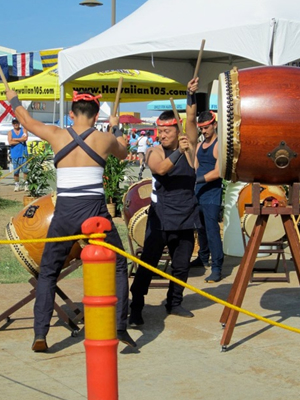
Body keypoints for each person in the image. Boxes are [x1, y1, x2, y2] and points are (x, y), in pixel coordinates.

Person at [5, 89, 136, 351]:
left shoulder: (56, 134)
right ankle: (120, 325)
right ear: (97, 115)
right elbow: (123, 153)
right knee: (119, 265)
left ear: (71, 113)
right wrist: (116, 127)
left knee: (49, 272)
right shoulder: (105, 138)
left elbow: (27, 122)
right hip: (94, 210)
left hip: (64, 210)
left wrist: (13, 99)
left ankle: (40, 334)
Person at [129, 78, 200, 326]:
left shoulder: (189, 145)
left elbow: (191, 120)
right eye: (159, 130)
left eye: (167, 131)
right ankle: (136, 305)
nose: (161, 135)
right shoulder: (154, 151)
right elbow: (159, 170)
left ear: (177, 131)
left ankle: (175, 302)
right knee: (148, 265)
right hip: (161, 218)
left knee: (181, 266)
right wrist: (178, 153)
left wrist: (190, 94)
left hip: (186, 216)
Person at [189, 110, 224, 283]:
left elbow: (218, 172)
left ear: (214, 124)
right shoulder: (199, 146)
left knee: (212, 231)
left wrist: (197, 179)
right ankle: (202, 258)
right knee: (200, 229)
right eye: (201, 128)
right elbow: (195, 166)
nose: (204, 131)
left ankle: (217, 267)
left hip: (211, 194)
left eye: (206, 127)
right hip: (198, 192)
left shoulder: (219, 145)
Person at [8, 118, 29, 192]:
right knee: (16, 172)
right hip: (15, 154)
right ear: (12, 124)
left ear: (19, 123)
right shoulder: (10, 132)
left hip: (23, 154)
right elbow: (10, 142)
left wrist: (15, 139)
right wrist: (20, 140)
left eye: (17, 123)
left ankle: (26, 185)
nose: (16, 124)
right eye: (14, 123)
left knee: (25, 171)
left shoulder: (23, 130)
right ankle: (17, 185)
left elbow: (25, 138)